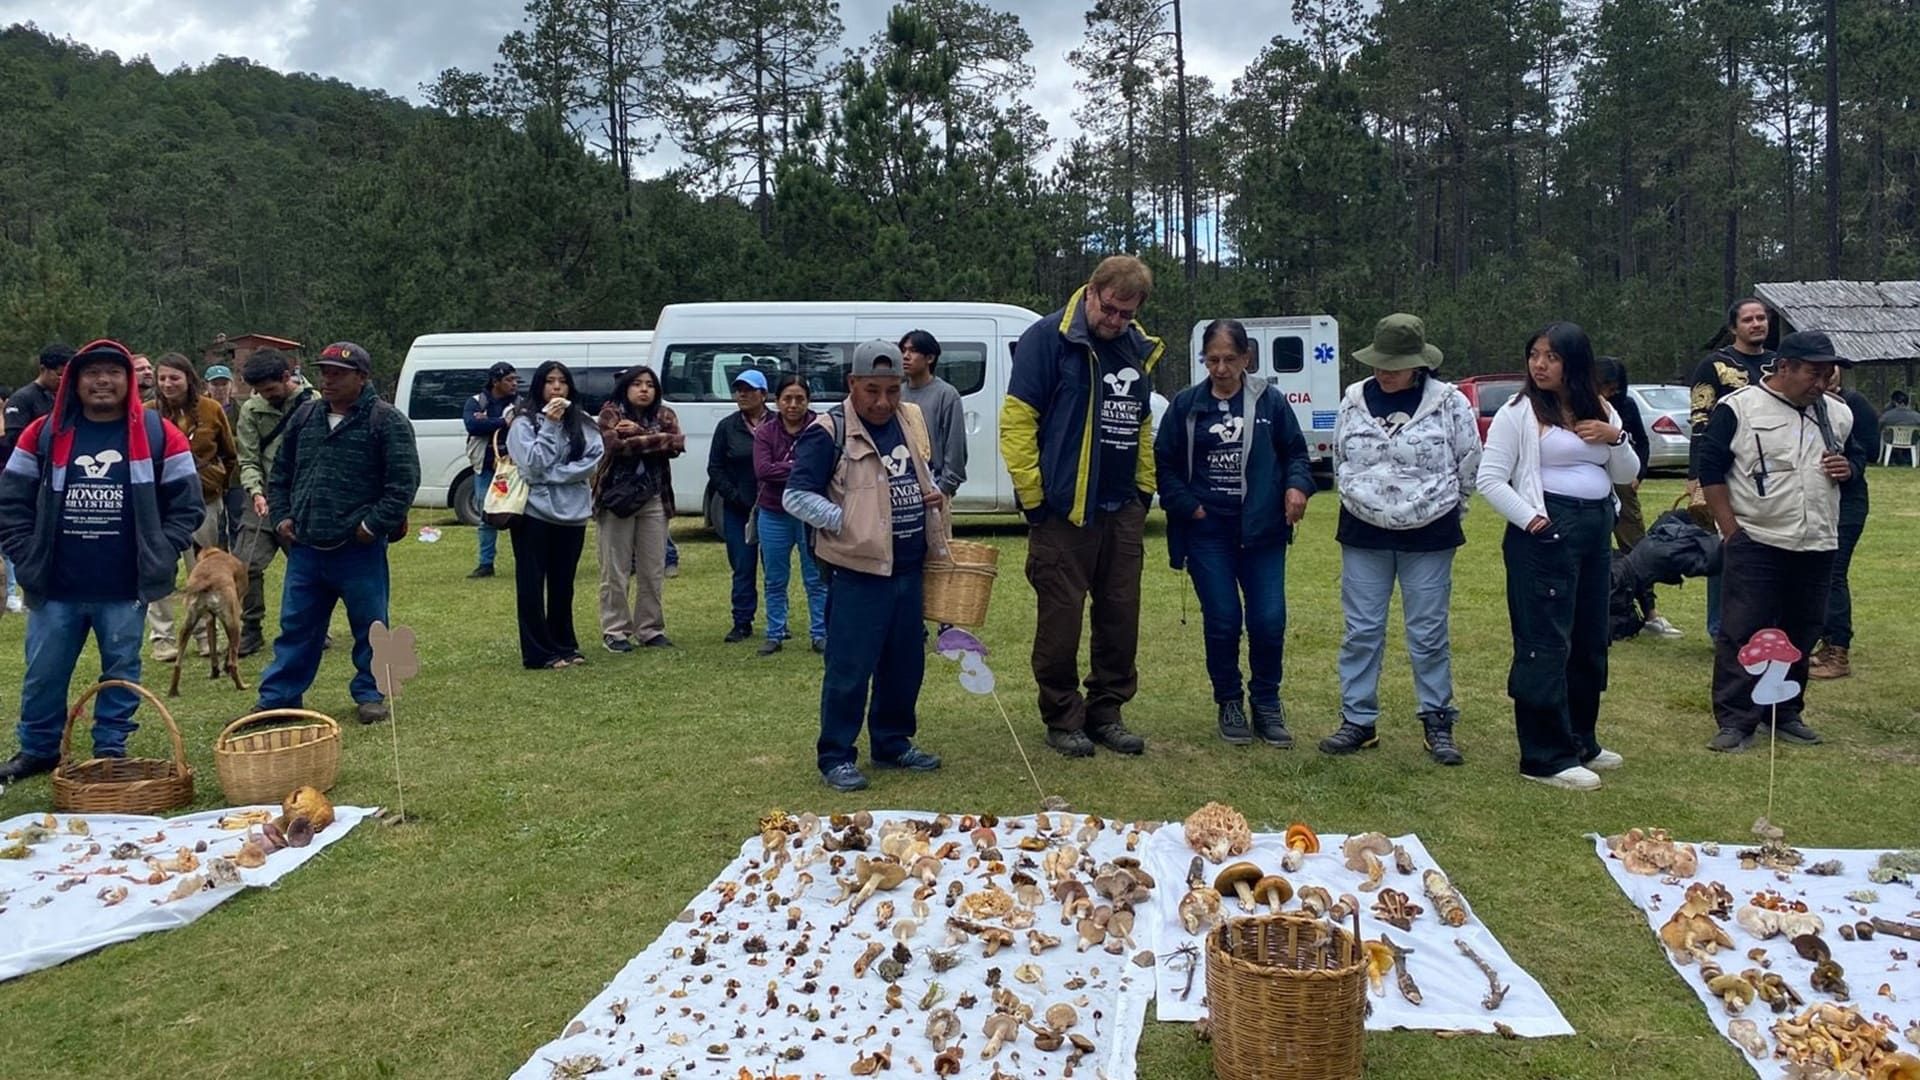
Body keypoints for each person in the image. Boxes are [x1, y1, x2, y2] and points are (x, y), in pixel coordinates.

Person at [0, 339, 202, 783]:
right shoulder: (43, 432)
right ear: (74, 381)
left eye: (114, 372)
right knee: (43, 674)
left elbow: (187, 504)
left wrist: (161, 550)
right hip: (56, 586)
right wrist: (24, 552)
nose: (103, 381)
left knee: (122, 673)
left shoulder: (157, 433)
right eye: (92, 373)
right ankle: (37, 749)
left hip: (124, 586)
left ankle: (110, 750)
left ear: (129, 380)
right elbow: (10, 500)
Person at [1002, 255, 1161, 758]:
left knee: (1120, 617)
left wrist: (1142, 493)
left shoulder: (1137, 349)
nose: (1115, 322)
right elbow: (1017, 422)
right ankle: (1062, 716)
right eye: (1110, 309)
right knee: (1061, 621)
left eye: (1126, 314)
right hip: (1061, 513)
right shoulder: (1047, 339)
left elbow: (1140, 426)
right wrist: (1034, 499)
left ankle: (1107, 712)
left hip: (1121, 510)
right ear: (1091, 293)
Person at [1478, 323, 1640, 790]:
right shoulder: (1519, 412)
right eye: (1534, 355)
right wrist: (1533, 521)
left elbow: (1627, 474)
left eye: (1551, 356)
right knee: (1545, 641)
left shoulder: (1601, 408)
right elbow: (1490, 478)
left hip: (1594, 534)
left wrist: (1615, 436)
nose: (1539, 365)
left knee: (1589, 638)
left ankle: (1580, 740)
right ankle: (1544, 756)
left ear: (1575, 362)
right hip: (1545, 535)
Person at [783, 341, 950, 792]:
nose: (882, 401)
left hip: (908, 569)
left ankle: (892, 742)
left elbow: (914, 475)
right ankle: (836, 754)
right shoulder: (827, 431)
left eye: (893, 390)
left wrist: (928, 493)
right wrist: (849, 523)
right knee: (850, 668)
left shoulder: (906, 423)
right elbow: (796, 496)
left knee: (905, 664)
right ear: (852, 384)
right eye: (872, 390)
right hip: (858, 573)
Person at [1321, 314, 1482, 764]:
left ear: (1418, 364)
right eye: (1381, 363)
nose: (1386, 372)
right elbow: (1340, 458)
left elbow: (1469, 461)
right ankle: (1358, 720)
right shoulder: (1352, 401)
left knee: (1428, 632)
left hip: (1431, 531)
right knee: (1361, 630)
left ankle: (1437, 720)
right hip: (1362, 530)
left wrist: (1451, 506)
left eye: (1396, 364)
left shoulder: (1449, 404)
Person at [1154, 319, 1312, 747]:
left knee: (1268, 620)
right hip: (1208, 531)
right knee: (1223, 619)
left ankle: (1266, 702)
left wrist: (1297, 486)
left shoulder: (1271, 403)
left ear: (1246, 359)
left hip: (1262, 530)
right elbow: (1164, 464)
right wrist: (1190, 507)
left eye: (1229, 359)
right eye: (1212, 359)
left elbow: (1296, 452)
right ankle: (1229, 701)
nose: (1221, 369)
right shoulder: (1187, 406)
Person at [1699, 331, 1855, 751]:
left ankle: (1785, 710)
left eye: (1828, 374)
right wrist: (1731, 532)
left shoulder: (1837, 414)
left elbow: (1855, 460)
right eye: (1813, 373)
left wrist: (1848, 468)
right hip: (1758, 537)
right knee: (1743, 629)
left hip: (1817, 540)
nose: (1821, 383)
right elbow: (1710, 471)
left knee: (1801, 630)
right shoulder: (1739, 408)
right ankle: (1735, 719)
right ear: (1784, 366)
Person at [252, 342, 419, 723]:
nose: (328, 379)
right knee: (296, 627)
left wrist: (370, 526)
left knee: (371, 625)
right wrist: (282, 517)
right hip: (307, 547)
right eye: (324, 372)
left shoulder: (386, 421)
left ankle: (371, 693)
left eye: (338, 373)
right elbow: (280, 475)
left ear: (362, 377)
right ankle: (279, 697)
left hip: (358, 549)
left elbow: (403, 485)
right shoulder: (304, 416)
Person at [507, 361, 603, 669]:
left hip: (572, 514)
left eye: (562, 381)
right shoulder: (523, 422)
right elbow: (532, 465)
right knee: (531, 584)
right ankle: (538, 652)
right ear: (539, 386)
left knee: (564, 583)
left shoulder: (583, 421)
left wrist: (555, 474)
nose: (557, 387)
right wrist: (549, 424)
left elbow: (593, 460)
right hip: (534, 514)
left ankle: (565, 644)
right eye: (550, 381)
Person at [1689, 298, 1776, 638]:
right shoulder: (1715, 365)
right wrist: (1696, 475)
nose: (1757, 324)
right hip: (1725, 470)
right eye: (1749, 319)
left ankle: (1765, 625)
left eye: (1761, 318)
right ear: (1733, 328)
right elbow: (1700, 420)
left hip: (1771, 470)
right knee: (1728, 546)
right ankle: (1720, 625)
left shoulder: (1778, 363)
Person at [145, 353, 239, 661]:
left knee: (203, 571)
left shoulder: (210, 410)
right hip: (158, 503)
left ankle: (204, 636)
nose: (168, 383)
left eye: (174, 377)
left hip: (204, 500)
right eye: (162, 378)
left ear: (188, 378)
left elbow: (229, 452)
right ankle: (162, 638)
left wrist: (220, 484)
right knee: (158, 568)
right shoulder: (146, 414)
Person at [232, 348, 318, 657]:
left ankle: (312, 627)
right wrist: (255, 491)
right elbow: (249, 458)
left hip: (303, 500)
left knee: (310, 569)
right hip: (265, 499)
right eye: (258, 391)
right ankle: (251, 628)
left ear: (286, 377)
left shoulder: (314, 404)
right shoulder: (252, 411)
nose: (264, 396)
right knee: (246, 565)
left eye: (269, 389)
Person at [594, 365, 680, 652]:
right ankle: (615, 630)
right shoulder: (610, 412)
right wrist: (656, 440)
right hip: (617, 498)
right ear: (625, 387)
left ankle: (650, 629)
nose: (644, 389)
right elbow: (614, 445)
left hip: (655, 498)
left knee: (653, 568)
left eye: (650, 385)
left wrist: (640, 432)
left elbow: (676, 443)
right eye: (638, 384)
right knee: (615, 570)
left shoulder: (665, 414)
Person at [1595, 356, 1682, 639]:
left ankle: (1651, 614)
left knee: (1636, 548)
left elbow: (1642, 443)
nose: (1609, 393)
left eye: (1614, 388)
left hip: (1622, 483)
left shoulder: (1625, 405)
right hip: (1590, 486)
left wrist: (1638, 475)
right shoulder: (1577, 405)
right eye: (1604, 386)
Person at [1811, 366, 1877, 680]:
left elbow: (1868, 453)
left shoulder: (1853, 405)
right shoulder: (1806, 406)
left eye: (1829, 370)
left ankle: (1839, 652)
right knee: (1819, 574)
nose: (1825, 377)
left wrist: (1848, 467)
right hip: (1818, 503)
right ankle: (1824, 644)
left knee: (1834, 573)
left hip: (1848, 503)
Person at [754, 374, 827, 656]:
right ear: (776, 401)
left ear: (808, 401)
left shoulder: (820, 428)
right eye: (787, 399)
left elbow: (823, 467)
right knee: (775, 577)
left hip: (811, 512)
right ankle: (775, 632)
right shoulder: (765, 432)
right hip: (774, 512)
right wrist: (799, 467)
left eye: (800, 399)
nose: (793, 404)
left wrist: (784, 466)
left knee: (816, 576)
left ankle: (820, 633)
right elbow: (763, 471)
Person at [710, 369, 770, 642]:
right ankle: (742, 621)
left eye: (749, 389)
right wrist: (734, 495)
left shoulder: (778, 424)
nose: (742, 394)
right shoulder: (727, 426)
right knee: (743, 566)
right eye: (738, 390)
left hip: (773, 508)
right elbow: (715, 467)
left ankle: (777, 622)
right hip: (738, 509)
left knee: (775, 568)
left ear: (764, 394)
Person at [464, 362, 518, 579]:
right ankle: (486, 563)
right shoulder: (476, 402)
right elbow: (473, 426)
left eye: (515, 380)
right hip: (486, 467)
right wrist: (503, 422)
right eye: (509, 380)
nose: (514, 384)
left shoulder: (521, 404)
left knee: (517, 513)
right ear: (496, 382)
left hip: (513, 467)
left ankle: (524, 560)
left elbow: (524, 425)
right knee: (486, 514)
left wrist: (489, 422)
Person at [900, 330, 967, 498]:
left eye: (913, 351)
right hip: (901, 485)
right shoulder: (896, 393)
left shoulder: (946, 395)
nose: (905, 356)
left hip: (934, 486)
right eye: (903, 350)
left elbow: (955, 447)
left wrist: (944, 488)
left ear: (930, 358)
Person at [204, 364, 247, 549]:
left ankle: (237, 562)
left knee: (238, 522)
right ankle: (218, 561)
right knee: (216, 525)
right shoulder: (200, 410)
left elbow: (248, 440)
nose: (220, 389)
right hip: (211, 477)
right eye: (215, 384)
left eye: (224, 384)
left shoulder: (243, 411)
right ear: (207, 386)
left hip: (236, 476)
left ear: (232, 385)